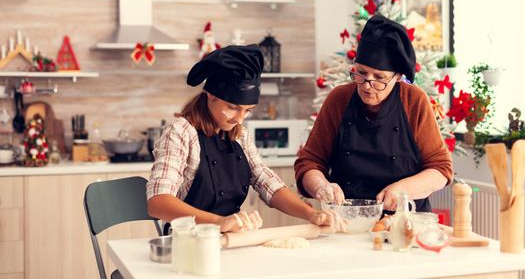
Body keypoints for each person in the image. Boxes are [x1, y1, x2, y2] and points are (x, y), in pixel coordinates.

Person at [147, 45, 337, 233]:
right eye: (233, 107)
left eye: (247, 111)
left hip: (232, 237)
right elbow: (158, 202)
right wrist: (219, 222)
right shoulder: (180, 133)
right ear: (210, 94)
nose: (239, 119)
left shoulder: (240, 135)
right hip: (187, 241)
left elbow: (267, 183)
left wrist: (310, 214)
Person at [295, 15, 453, 212]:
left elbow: (441, 169)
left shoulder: (414, 101)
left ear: (397, 77)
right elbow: (309, 161)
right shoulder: (339, 99)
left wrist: (405, 190)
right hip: (348, 219)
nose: (367, 85)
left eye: (379, 77)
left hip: (404, 223)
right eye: (360, 72)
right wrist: (321, 186)